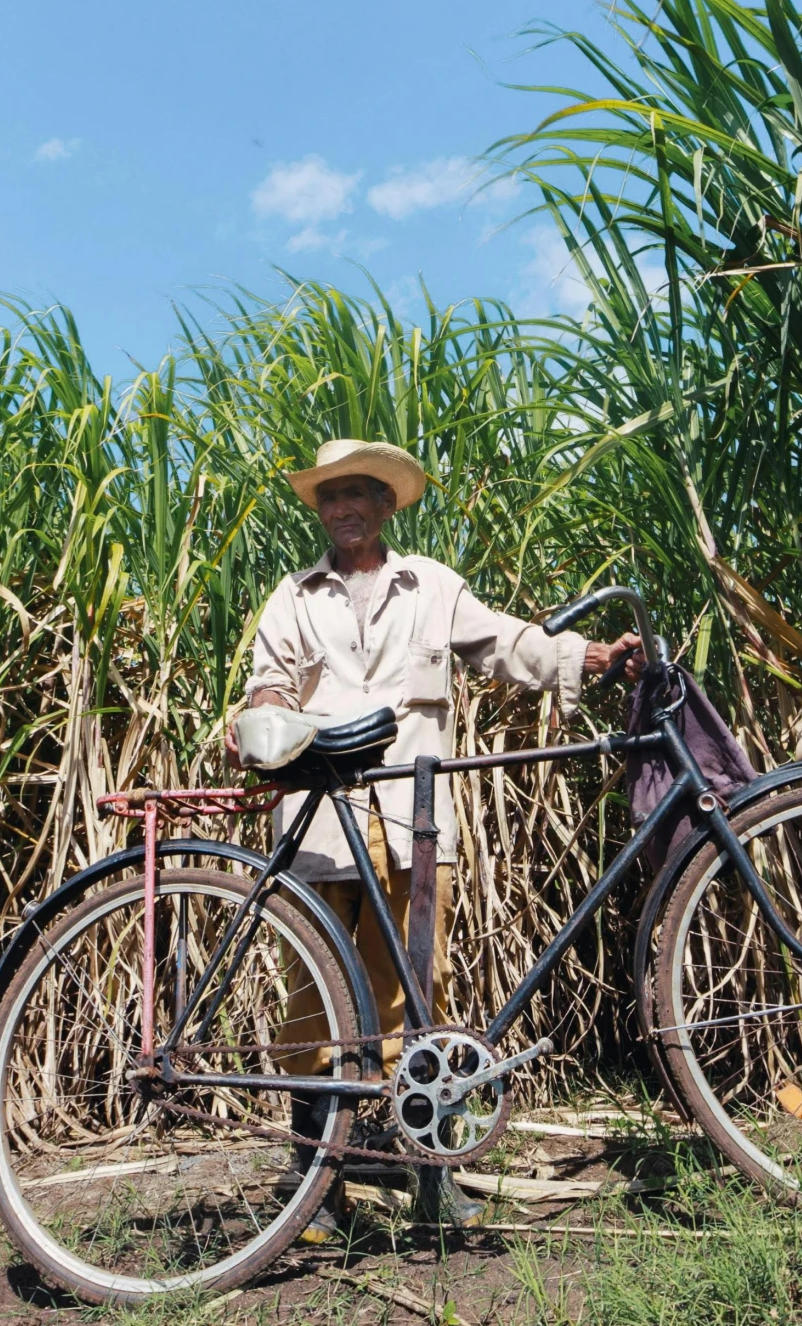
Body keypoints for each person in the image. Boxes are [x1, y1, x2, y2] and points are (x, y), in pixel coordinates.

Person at [232, 438, 640, 1236]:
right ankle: (314, 1187)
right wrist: (263, 712)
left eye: (360, 495)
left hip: (413, 823)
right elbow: (268, 679)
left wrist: (590, 657)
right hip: (317, 825)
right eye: (331, 497)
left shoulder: (432, 587)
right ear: (318, 509)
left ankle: (427, 1176)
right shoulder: (293, 596)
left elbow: (508, 645)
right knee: (313, 1001)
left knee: (419, 997)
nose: (344, 508)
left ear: (387, 505)